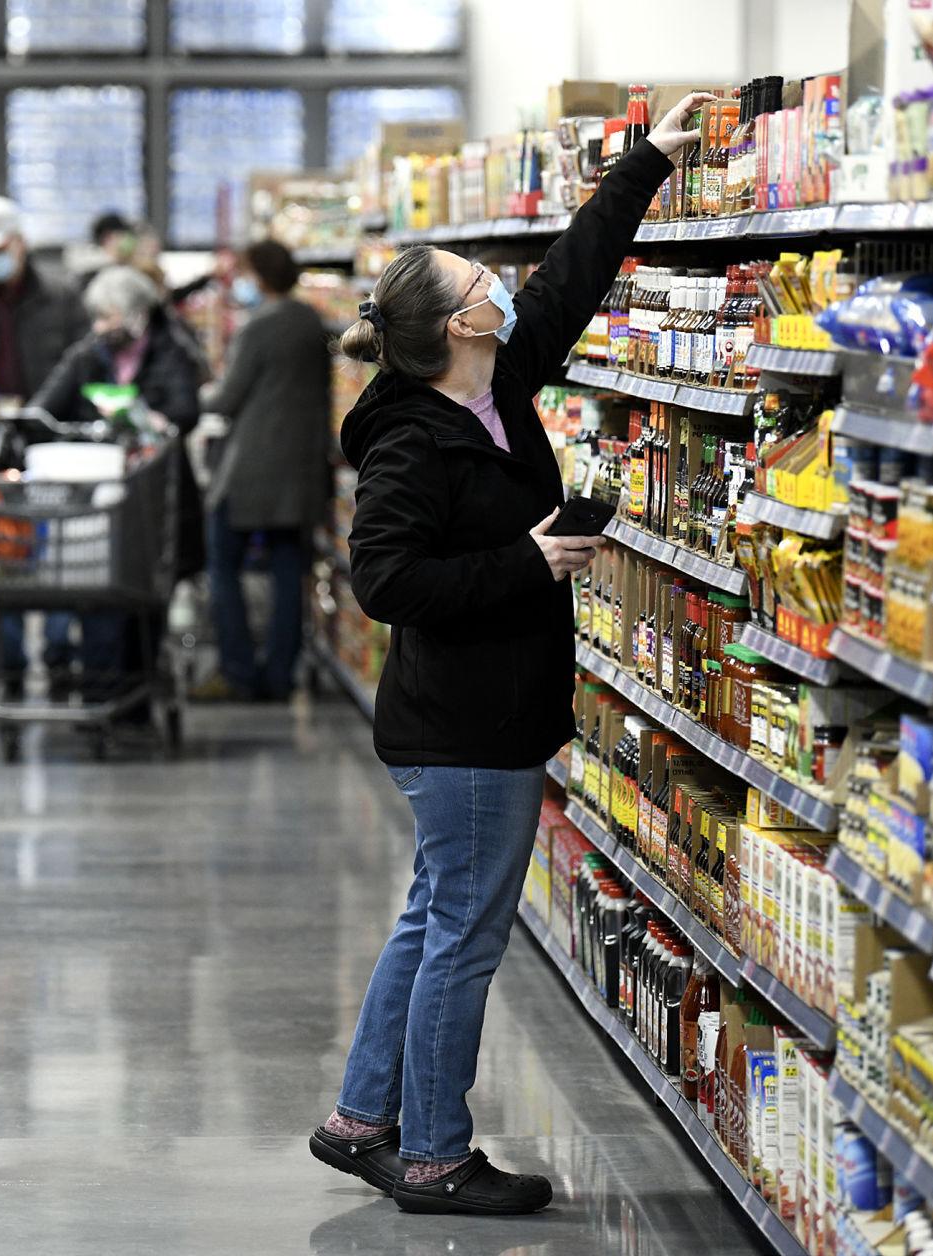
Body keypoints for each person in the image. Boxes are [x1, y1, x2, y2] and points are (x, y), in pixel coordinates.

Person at [308, 92, 709, 1216]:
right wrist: (526, 562)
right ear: (455, 326)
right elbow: (381, 580)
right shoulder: (413, 436)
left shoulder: (491, 388)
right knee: (464, 939)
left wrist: (642, 164)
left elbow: (562, 284)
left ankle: (358, 1116)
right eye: (472, 278)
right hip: (464, 725)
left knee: (433, 913)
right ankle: (432, 1152)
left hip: (477, 714)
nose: (493, 280)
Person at [29, 266, 203, 711]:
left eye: (109, 318)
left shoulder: (173, 350)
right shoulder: (86, 355)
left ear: (139, 315)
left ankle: (136, 698)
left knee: (145, 602)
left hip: (154, 501)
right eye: (97, 319)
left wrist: (155, 421)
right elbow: (44, 409)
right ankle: (102, 693)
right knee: (98, 598)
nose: (100, 329)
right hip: (98, 505)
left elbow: (186, 409)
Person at [0, 196, 91, 697]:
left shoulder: (61, 295)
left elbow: (83, 363)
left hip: (52, 438)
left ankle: (58, 656)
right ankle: (10, 661)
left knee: (57, 552)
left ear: (19, 243)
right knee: (7, 551)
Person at [192, 239, 331, 703]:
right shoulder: (312, 321)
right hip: (302, 471)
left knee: (222, 563)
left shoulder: (259, 327)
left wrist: (200, 392)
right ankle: (279, 673)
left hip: (251, 471)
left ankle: (238, 671)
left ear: (260, 276)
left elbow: (226, 399)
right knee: (290, 571)